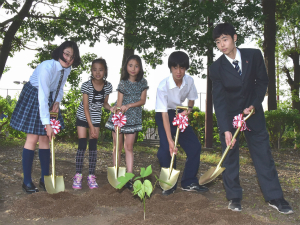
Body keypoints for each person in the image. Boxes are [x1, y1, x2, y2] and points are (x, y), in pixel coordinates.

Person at [209, 23, 293, 214]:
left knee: (263, 155)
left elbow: (262, 81)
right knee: (229, 157)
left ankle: (275, 197)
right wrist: (226, 129)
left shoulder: (254, 56)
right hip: (230, 117)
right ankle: (234, 197)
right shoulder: (216, 68)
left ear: (234, 37)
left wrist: (254, 105)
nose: (222, 44)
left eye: (225, 39)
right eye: (218, 41)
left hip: (253, 115)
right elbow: (219, 100)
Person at [10, 41, 81, 193]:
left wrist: (57, 102)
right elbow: (42, 94)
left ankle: (44, 179)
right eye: (66, 54)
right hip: (34, 95)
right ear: (60, 52)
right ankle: (27, 181)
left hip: (48, 97)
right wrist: (47, 123)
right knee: (33, 138)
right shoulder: (47, 67)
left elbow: (60, 87)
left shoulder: (66, 69)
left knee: (45, 139)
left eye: (72, 57)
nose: (68, 59)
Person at [155, 51, 208, 196]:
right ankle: (169, 184)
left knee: (194, 146)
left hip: (180, 114)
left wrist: (188, 110)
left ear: (185, 68)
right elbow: (164, 114)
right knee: (166, 149)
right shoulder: (163, 86)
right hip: (164, 115)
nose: (179, 71)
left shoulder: (189, 81)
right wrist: (171, 140)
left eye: (182, 68)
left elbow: (191, 100)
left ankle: (189, 181)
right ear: (170, 68)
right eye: (175, 67)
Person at [105, 55, 148, 189]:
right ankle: (116, 174)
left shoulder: (143, 83)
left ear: (140, 68)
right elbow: (119, 102)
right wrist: (118, 112)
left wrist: (129, 106)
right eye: (130, 65)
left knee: (128, 147)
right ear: (126, 67)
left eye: (136, 66)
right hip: (120, 117)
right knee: (117, 147)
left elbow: (142, 101)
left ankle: (129, 176)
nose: (133, 68)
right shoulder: (122, 82)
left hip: (133, 117)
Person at [72, 58, 114, 190]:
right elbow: (85, 107)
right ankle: (78, 175)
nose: (97, 72)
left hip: (96, 117)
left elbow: (105, 103)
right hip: (83, 116)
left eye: (100, 70)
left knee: (93, 147)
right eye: (95, 69)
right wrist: (91, 127)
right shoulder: (86, 85)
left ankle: (91, 176)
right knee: (82, 144)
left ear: (105, 71)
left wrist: (111, 108)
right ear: (91, 71)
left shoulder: (108, 86)